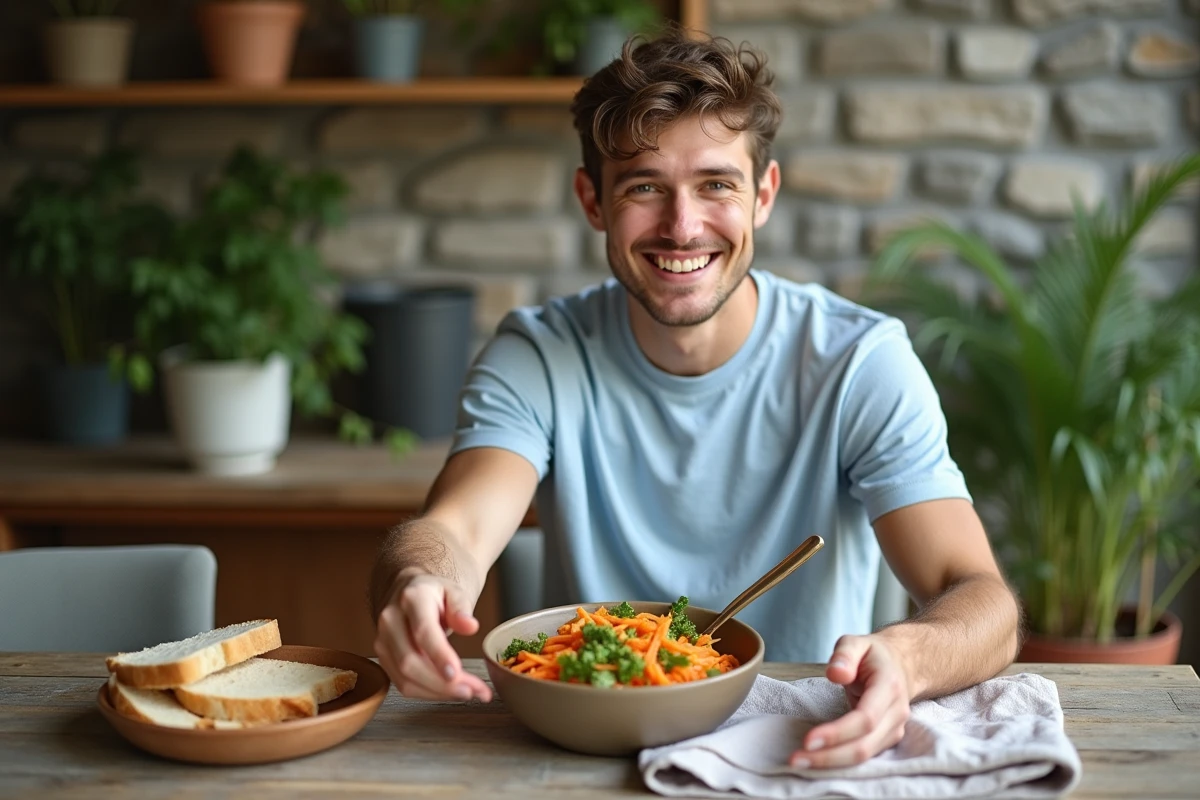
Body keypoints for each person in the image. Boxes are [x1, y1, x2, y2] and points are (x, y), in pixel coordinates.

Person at [370, 28, 1021, 768]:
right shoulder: (539, 354)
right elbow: (453, 530)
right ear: (594, 201)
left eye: (716, 184)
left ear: (763, 196)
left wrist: (911, 656)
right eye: (644, 187)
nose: (683, 226)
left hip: (795, 750)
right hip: (585, 752)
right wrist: (421, 581)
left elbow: (980, 599)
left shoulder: (858, 361)